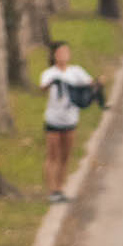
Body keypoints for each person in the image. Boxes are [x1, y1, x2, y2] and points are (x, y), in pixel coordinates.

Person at [39, 42, 95, 203]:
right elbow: (42, 87)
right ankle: (52, 190)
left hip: (70, 118)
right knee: (52, 155)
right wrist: (52, 82)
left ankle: (60, 188)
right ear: (54, 55)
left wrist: (95, 85)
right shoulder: (49, 73)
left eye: (66, 52)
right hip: (53, 119)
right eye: (60, 52)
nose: (63, 55)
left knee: (65, 155)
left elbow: (90, 83)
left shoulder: (76, 71)